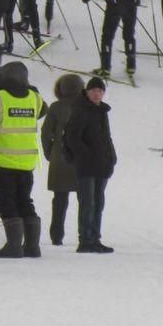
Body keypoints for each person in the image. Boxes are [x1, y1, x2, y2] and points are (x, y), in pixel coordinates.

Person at [0, 61, 47, 259]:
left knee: (7, 201)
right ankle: (32, 246)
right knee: (25, 200)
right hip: (27, 161)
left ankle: (14, 246)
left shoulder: (0, 97)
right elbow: (43, 110)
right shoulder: (34, 98)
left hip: (4, 160)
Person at [65, 76, 117, 253]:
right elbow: (72, 137)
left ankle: (95, 238)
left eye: (100, 91)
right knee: (88, 203)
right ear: (87, 92)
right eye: (94, 90)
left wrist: (111, 156)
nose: (97, 94)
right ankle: (85, 240)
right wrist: (86, 155)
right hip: (86, 166)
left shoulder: (102, 111)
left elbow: (106, 137)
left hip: (102, 164)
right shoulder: (80, 110)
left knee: (98, 202)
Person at [41, 74, 82, 246]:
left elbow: (46, 133)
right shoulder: (85, 107)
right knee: (85, 200)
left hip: (60, 159)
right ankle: (84, 235)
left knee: (59, 200)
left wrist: (50, 153)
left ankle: (56, 235)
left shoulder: (56, 107)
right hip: (82, 160)